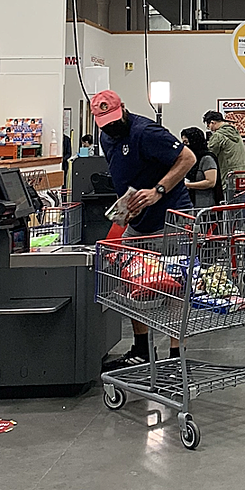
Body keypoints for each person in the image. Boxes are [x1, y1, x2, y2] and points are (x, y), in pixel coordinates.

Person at [92, 90, 196, 367]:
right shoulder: (107, 137)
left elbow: (188, 159)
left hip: (171, 217)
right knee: (131, 281)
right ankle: (141, 350)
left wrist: (158, 190)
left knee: (175, 283)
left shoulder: (146, 131)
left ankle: (177, 356)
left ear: (123, 109)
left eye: (114, 119)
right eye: (105, 123)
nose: (112, 127)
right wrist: (125, 208)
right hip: (137, 221)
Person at [202, 110, 245, 190]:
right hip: (244, 174)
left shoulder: (218, 136)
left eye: (208, 126)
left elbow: (210, 154)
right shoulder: (235, 132)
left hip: (229, 176)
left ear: (212, 122)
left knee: (230, 199)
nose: (210, 129)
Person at [181, 126, 219, 208]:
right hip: (192, 205)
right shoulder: (191, 160)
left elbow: (211, 182)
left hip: (206, 207)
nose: (185, 146)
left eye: (186, 142)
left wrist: (188, 185)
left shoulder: (207, 159)